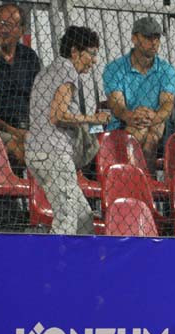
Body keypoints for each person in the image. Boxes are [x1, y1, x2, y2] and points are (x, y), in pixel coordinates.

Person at [25, 26, 111, 235]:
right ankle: (55, 256)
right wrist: (93, 118)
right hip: (53, 154)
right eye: (91, 53)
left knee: (83, 217)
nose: (94, 60)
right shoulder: (67, 71)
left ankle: (81, 255)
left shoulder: (47, 71)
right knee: (67, 218)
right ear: (74, 51)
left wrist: (90, 123)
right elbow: (58, 115)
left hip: (38, 153)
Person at [0, 3, 42, 229]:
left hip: (28, 127)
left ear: (21, 30)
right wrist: (14, 131)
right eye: (0, 23)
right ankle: (8, 219)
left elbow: (40, 98)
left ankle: (41, 212)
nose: (3, 29)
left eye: (9, 24)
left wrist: (34, 128)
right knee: (14, 148)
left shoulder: (30, 58)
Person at [102, 17, 175, 172]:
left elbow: (167, 103)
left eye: (157, 38)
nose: (154, 42)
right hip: (124, 122)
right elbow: (117, 105)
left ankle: (136, 180)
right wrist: (131, 116)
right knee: (142, 132)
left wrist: (153, 117)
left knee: (152, 133)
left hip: (156, 122)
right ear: (134, 39)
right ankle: (145, 180)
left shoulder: (166, 69)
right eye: (148, 38)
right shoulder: (115, 68)